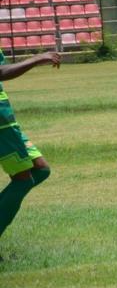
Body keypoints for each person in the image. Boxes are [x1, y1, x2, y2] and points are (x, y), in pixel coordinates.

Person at [0, 51, 61, 248]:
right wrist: (36, 59)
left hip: (6, 120)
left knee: (41, 169)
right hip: (1, 125)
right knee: (23, 178)